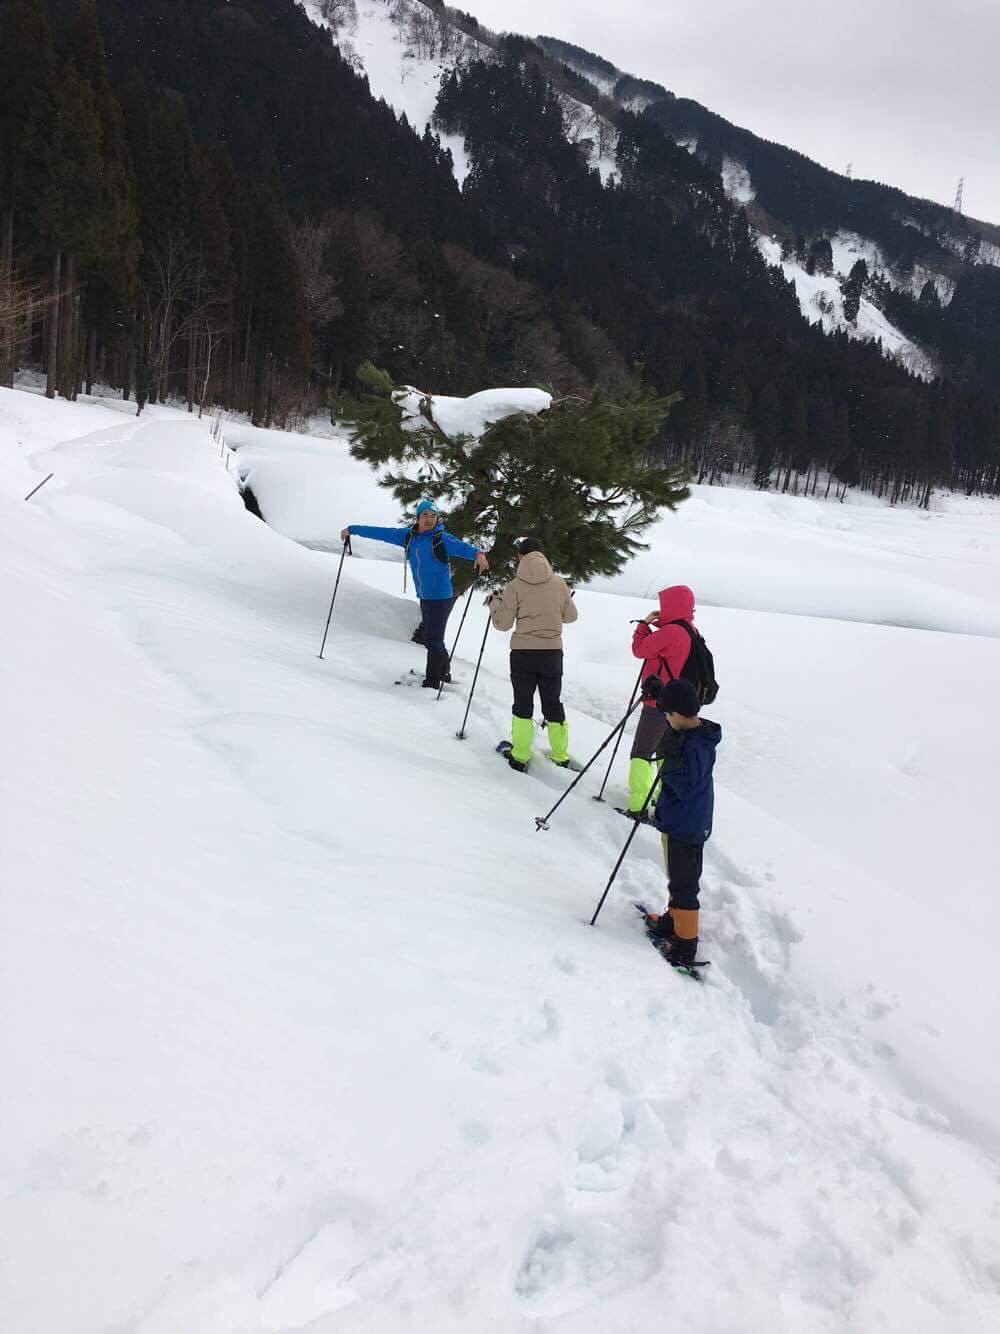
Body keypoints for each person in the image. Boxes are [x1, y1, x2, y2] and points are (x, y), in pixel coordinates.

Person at [342, 501, 488, 688]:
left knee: (433, 640)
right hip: (424, 596)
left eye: (433, 516)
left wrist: (479, 555)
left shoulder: (441, 538)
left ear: (437, 518)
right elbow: (381, 533)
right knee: (432, 638)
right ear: (418, 518)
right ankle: (443, 673)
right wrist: (352, 529)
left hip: (440, 597)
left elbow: (462, 548)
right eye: (425, 515)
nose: (429, 519)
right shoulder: (408, 537)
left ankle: (433, 682)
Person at [638, 676, 722, 970]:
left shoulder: (695, 747)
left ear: (676, 715)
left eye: (666, 714)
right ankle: (674, 921)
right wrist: (664, 697)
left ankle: (685, 945)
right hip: (681, 822)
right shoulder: (692, 732)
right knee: (677, 876)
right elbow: (677, 712)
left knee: (685, 884)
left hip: (686, 826)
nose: (665, 720)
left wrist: (669, 760)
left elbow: (685, 788)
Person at [487, 537, 577, 771]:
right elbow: (571, 616)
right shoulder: (559, 583)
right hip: (552, 653)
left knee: (523, 702)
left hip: (523, 653)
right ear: (544, 555)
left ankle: (520, 755)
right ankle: (560, 756)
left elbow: (503, 624)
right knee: (552, 703)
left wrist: (494, 604)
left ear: (520, 556)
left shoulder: (515, 585)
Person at [622, 584, 698, 820]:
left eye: (665, 605)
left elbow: (639, 650)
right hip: (677, 706)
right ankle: (659, 796)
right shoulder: (690, 630)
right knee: (663, 752)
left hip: (657, 702)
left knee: (641, 753)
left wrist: (644, 625)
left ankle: (638, 807)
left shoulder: (670, 633)